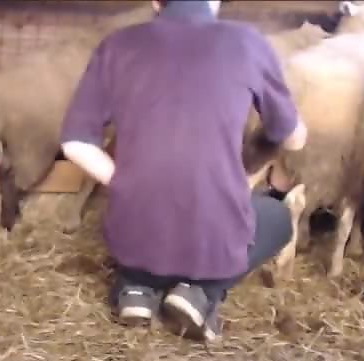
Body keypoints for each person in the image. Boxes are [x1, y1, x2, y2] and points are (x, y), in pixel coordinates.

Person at [60, 0, 307, 342]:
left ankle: (136, 289)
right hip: (210, 241)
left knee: (143, 228)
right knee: (275, 215)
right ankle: (200, 293)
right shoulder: (248, 43)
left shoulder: (117, 45)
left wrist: (124, 182)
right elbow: (292, 138)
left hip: (136, 238)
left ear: (155, 1)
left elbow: (75, 141)